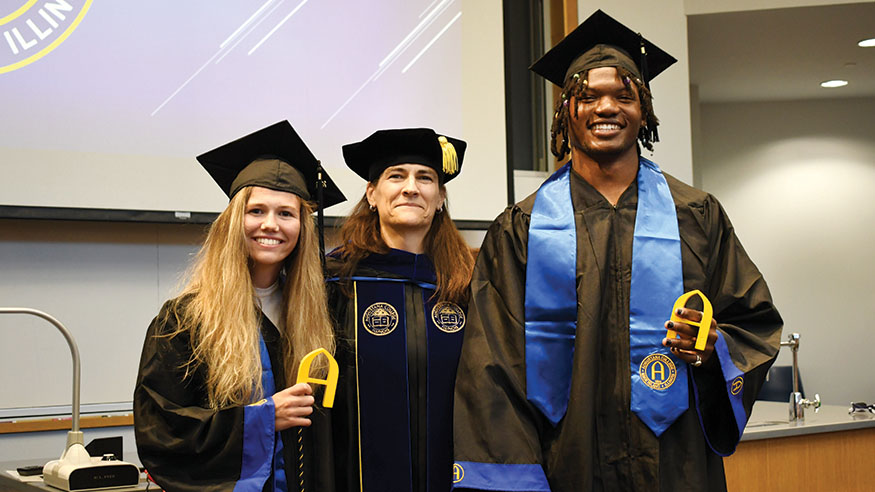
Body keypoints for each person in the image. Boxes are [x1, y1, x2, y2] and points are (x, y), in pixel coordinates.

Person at [452, 10, 783, 492]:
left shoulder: (697, 215)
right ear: (566, 110)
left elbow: (754, 323)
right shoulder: (520, 229)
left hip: (675, 465)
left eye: (623, 96)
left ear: (643, 111)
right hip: (563, 465)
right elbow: (492, 368)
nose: (605, 107)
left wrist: (715, 350)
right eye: (587, 96)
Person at [134, 121, 346, 492]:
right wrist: (263, 420)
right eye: (256, 211)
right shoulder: (186, 319)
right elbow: (162, 430)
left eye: (285, 213)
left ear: (302, 226)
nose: (270, 225)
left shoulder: (320, 315)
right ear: (234, 222)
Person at [326, 128, 476, 492]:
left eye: (425, 178)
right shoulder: (335, 280)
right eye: (397, 176)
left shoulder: (470, 284)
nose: (411, 187)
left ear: (440, 198)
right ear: (372, 194)